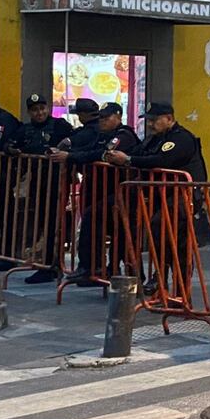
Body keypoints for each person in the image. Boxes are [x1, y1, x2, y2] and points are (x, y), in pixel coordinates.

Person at [105, 102, 207, 296]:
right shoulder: (155, 139)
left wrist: (127, 160)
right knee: (158, 234)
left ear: (169, 119)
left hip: (182, 195)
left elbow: (162, 160)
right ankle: (161, 280)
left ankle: (180, 290)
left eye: (154, 120)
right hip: (161, 195)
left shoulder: (182, 138)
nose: (150, 125)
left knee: (173, 239)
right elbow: (140, 152)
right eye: (149, 121)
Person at [63, 103, 141, 286]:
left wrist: (71, 157)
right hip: (104, 192)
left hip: (123, 193)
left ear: (118, 116)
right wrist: (71, 154)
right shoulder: (101, 135)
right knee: (103, 230)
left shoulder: (124, 135)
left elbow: (102, 154)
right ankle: (98, 269)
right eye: (100, 118)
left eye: (106, 118)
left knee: (121, 236)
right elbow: (89, 150)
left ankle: (122, 274)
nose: (102, 121)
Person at [7, 94, 74, 284]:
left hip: (57, 181)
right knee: (40, 221)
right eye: (35, 109)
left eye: (42, 108)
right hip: (36, 182)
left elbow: (74, 141)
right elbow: (10, 144)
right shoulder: (25, 130)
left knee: (53, 222)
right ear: (29, 112)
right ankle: (41, 261)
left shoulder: (60, 126)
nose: (40, 113)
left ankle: (51, 265)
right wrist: (12, 150)